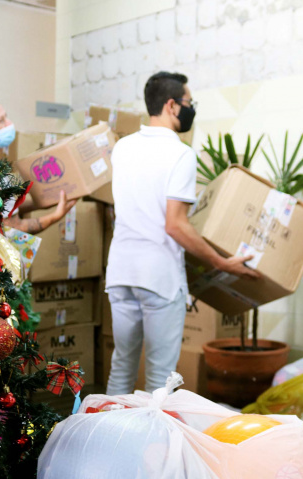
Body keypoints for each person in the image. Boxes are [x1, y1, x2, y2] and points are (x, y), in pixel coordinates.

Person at [105, 71, 259, 395]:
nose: (192, 109)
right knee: (161, 377)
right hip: (157, 277)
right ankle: (155, 445)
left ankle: (109, 440)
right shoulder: (180, 154)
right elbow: (175, 225)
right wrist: (221, 262)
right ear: (172, 105)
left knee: (122, 365)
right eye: (190, 103)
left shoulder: (122, 148)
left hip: (120, 272)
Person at [0, 99, 75, 233]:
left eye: (6, 117)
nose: (9, 124)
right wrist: (56, 215)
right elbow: (13, 227)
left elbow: (6, 209)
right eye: (1, 121)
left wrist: (42, 202)